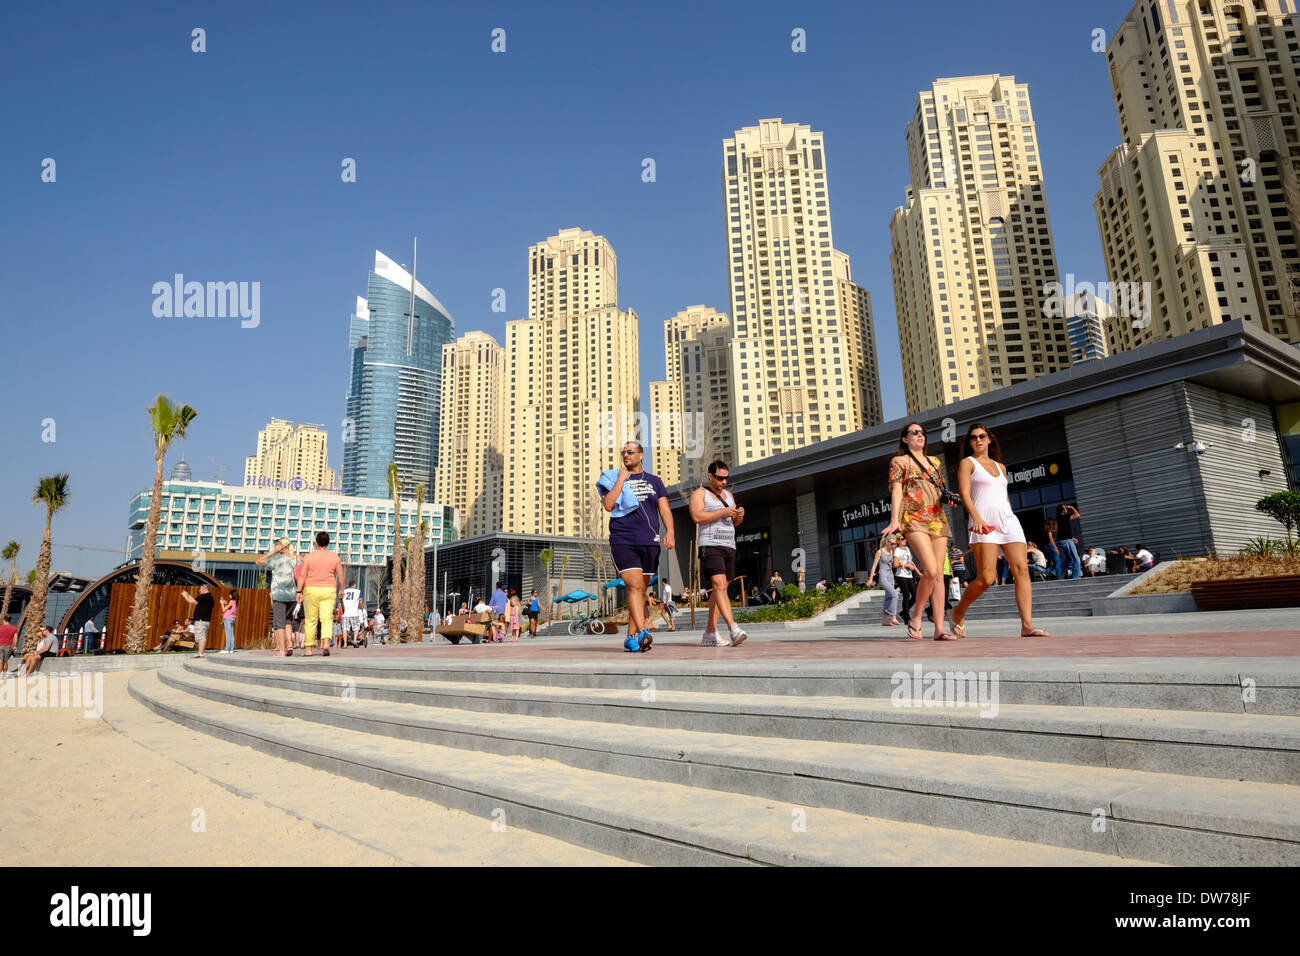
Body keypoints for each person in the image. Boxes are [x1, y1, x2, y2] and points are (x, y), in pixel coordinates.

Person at [948, 424, 1051, 638]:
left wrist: (1009, 515)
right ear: (970, 442)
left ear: (989, 440)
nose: (978, 440)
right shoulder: (967, 464)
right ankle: (957, 612)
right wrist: (976, 517)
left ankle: (1027, 625)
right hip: (982, 523)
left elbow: (1003, 495)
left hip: (1008, 521)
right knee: (986, 577)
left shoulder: (1001, 467)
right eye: (973, 437)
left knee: (1022, 570)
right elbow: (965, 494)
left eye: (982, 436)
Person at [597, 441, 675, 653]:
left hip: (649, 541)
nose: (626, 455)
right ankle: (642, 632)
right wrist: (621, 481)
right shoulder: (614, 477)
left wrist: (671, 531)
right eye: (623, 452)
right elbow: (608, 505)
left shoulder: (655, 481)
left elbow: (664, 509)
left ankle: (631, 638)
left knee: (640, 592)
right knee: (633, 587)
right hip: (623, 539)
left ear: (641, 455)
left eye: (630, 452)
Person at [882, 422, 954, 640]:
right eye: (914, 432)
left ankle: (940, 629)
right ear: (905, 439)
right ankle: (916, 615)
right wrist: (895, 519)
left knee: (939, 576)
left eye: (923, 432)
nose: (920, 435)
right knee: (931, 570)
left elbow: (937, 488)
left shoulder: (934, 462)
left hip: (937, 519)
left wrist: (948, 498)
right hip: (913, 519)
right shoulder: (899, 461)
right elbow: (896, 490)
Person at [688, 458, 749, 648]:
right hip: (710, 544)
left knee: (720, 589)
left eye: (726, 478)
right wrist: (722, 513)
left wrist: (738, 516)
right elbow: (697, 516)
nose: (724, 482)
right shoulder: (700, 494)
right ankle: (733, 628)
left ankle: (709, 633)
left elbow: (734, 523)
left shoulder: (729, 495)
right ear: (710, 476)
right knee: (719, 584)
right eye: (720, 478)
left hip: (729, 545)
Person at [296, 530, 344, 657]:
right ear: (328, 543)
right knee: (326, 618)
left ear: (316, 542)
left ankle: (308, 649)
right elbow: (340, 575)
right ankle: (326, 644)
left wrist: (299, 591)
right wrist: (342, 589)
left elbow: (302, 576)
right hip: (329, 589)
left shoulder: (309, 557)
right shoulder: (334, 557)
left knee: (311, 620)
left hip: (311, 589)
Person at [258, 538, 298, 657]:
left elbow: (259, 561)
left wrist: (273, 552)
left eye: (278, 544)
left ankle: (281, 651)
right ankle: (289, 645)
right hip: (292, 594)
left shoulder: (276, 559)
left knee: (279, 624)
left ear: (283, 546)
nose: (276, 545)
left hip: (279, 595)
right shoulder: (294, 559)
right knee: (287, 621)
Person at [867, 533, 901, 627]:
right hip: (883, 576)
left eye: (894, 544)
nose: (893, 545)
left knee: (888, 597)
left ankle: (884, 621)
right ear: (887, 542)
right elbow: (874, 566)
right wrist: (870, 579)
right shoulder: (879, 552)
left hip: (891, 576)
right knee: (894, 594)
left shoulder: (892, 551)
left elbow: (894, 564)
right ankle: (893, 616)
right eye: (891, 543)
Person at [180, 584, 215, 658]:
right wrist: (187, 595)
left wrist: (186, 595)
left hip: (201, 620)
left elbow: (192, 601)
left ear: (205, 588)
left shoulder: (204, 596)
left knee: (201, 637)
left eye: (200, 589)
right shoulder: (210, 597)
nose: (199, 590)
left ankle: (200, 653)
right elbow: (193, 601)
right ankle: (200, 652)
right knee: (201, 636)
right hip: (205, 620)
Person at [892, 538, 918, 622]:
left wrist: (919, 572)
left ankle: (904, 612)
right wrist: (906, 565)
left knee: (915, 596)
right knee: (906, 595)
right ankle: (906, 616)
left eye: (905, 539)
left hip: (909, 575)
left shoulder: (907, 549)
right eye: (902, 539)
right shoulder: (897, 550)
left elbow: (911, 563)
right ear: (898, 541)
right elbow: (895, 564)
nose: (905, 540)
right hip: (901, 575)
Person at [1055, 502, 1083, 579]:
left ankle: (1056, 572)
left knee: (1068, 559)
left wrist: (1071, 538)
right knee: (1076, 559)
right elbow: (1077, 515)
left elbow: (1062, 531)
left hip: (1061, 541)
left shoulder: (1058, 518)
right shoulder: (1065, 516)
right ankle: (1076, 576)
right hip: (1066, 540)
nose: (1067, 509)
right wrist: (1071, 507)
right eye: (1065, 508)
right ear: (1063, 510)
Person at [340, 579, 365, 648]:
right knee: (356, 628)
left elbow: (341, 601)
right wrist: (361, 607)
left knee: (345, 628)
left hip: (346, 613)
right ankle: (354, 641)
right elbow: (361, 602)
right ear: (354, 585)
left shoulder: (344, 591)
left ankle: (345, 644)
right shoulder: (358, 591)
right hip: (354, 613)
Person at [218, 589, 238, 654]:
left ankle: (226, 649)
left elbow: (224, 610)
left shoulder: (231, 601)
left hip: (228, 619)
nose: (229, 595)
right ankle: (231, 649)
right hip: (233, 618)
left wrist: (221, 604)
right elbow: (229, 606)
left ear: (232, 595)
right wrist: (224, 602)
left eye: (230, 594)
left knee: (228, 634)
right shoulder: (235, 601)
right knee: (231, 635)